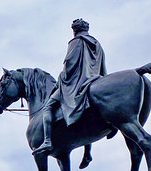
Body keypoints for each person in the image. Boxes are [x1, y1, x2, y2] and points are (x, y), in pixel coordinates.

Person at [34, 18, 107, 156]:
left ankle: (47, 141)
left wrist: (60, 80)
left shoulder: (76, 42)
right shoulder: (97, 44)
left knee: (47, 107)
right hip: (95, 79)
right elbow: (102, 65)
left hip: (76, 82)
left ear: (75, 30)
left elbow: (69, 64)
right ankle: (88, 152)